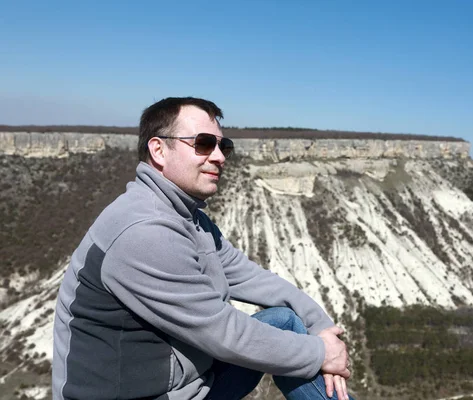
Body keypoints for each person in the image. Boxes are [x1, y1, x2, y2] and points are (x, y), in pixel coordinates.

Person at [53, 97, 355, 400]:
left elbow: (251, 278)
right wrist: (320, 354)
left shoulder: (189, 219)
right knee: (304, 349)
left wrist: (322, 329)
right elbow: (224, 333)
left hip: (190, 384)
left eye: (223, 146)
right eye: (203, 143)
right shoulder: (144, 232)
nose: (219, 157)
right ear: (158, 150)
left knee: (288, 321)